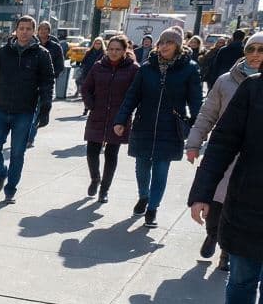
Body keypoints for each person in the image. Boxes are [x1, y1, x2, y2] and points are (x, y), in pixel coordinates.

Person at [188, 60, 263, 304]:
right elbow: (222, 143)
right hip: (250, 204)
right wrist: (202, 192)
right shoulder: (254, 88)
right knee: (243, 281)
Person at [187, 31, 263, 270]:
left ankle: (227, 253)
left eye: (261, 50)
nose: (255, 55)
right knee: (215, 203)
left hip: (251, 161)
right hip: (224, 155)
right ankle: (213, 234)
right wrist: (193, 143)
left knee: (236, 206)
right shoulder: (225, 81)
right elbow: (207, 115)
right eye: (251, 49)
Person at [112, 27, 202, 229]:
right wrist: (121, 119)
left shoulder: (189, 68)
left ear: (178, 46)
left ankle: (152, 208)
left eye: (169, 43)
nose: (164, 46)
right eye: (161, 42)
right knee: (141, 166)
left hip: (170, 127)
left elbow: (196, 100)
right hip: (144, 123)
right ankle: (144, 196)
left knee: (161, 168)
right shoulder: (146, 68)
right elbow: (132, 96)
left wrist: (197, 126)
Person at [0, 15, 54, 204]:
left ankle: (10, 190)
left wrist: (45, 108)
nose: (25, 32)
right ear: (16, 30)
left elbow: (47, 83)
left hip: (25, 112)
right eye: (21, 28)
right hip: (1, 109)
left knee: (18, 153)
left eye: (29, 29)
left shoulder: (42, 55)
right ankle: (1, 173)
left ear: (34, 31)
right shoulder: (3, 53)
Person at [81, 35, 138, 204]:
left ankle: (104, 189)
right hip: (97, 115)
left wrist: (127, 114)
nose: (113, 52)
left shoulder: (133, 69)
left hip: (118, 118)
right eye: (111, 49)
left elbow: (136, 93)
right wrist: (91, 104)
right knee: (92, 151)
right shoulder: (99, 66)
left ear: (124, 50)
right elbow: (86, 88)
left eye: (118, 49)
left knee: (111, 155)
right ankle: (95, 178)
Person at [30, 21, 64, 148]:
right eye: (41, 29)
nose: (43, 32)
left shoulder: (55, 47)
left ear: (49, 31)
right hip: (30, 83)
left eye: (46, 29)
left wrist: (51, 76)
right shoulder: (32, 44)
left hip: (45, 84)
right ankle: (25, 134)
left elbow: (60, 66)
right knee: (29, 111)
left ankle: (30, 137)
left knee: (39, 109)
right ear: (37, 31)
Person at [76, 37, 105, 101]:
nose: (97, 45)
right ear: (94, 44)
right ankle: (86, 105)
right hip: (87, 73)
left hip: (98, 74)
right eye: (96, 43)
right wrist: (82, 68)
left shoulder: (104, 53)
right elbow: (83, 61)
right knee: (86, 88)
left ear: (102, 44)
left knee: (94, 89)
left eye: (99, 43)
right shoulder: (89, 52)